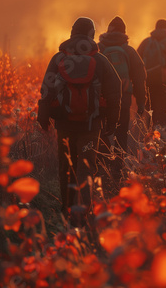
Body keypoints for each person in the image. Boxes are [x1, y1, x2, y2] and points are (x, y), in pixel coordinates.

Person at [37, 17, 122, 224]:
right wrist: (113, 119)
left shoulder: (58, 59)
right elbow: (114, 89)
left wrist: (43, 114)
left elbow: (47, 87)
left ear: (72, 33)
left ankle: (66, 208)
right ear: (92, 35)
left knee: (66, 165)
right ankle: (81, 213)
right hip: (91, 125)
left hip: (64, 124)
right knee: (86, 166)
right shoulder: (100, 60)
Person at [98, 16, 147, 156]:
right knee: (121, 135)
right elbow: (139, 78)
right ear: (124, 32)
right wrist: (141, 102)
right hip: (122, 100)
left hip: (102, 99)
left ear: (108, 31)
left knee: (101, 132)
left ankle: (103, 163)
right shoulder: (129, 51)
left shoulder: (98, 49)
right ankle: (118, 168)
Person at [137, 19, 166, 126]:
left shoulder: (146, 42)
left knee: (150, 110)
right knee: (164, 111)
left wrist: (137, 82)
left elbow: (136, 62)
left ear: (156, 28)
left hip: (148, 82)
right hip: (165, 83)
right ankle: (161, 136)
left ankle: (148, 135)